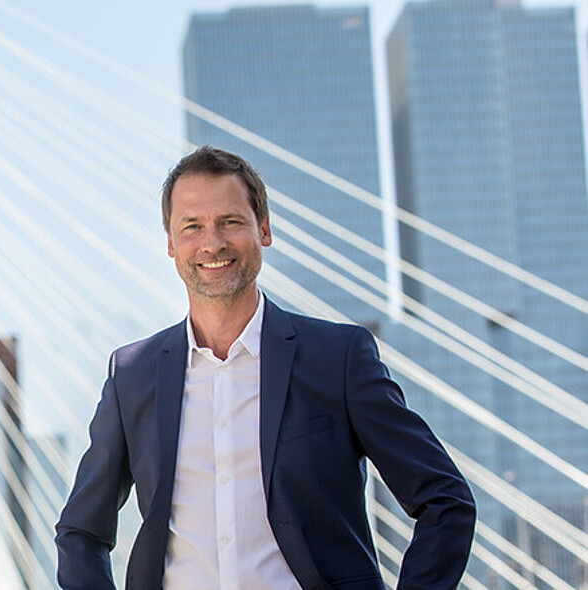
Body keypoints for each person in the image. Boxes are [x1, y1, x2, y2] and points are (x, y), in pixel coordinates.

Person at [55, 146, 475, 589]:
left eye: (230, 222)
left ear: (265, 229)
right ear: (171, 243)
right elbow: (81, 532)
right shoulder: (132, 375)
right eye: (192, 226)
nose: (212, 243)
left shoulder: (339, 359)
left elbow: (445, 501)